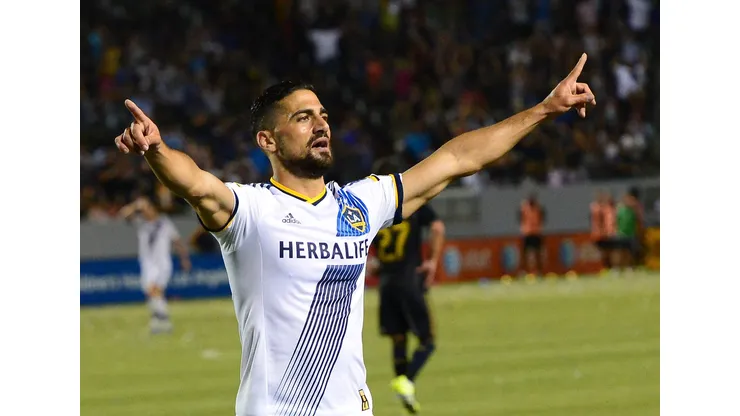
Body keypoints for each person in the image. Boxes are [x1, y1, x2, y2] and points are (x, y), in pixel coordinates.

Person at [113, 53, 595, 416]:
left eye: (322, 114)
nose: (320, 124)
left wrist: (544, 110)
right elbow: (195, 183)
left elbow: (456, 159)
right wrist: (156, 150)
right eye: (302, 117)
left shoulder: (360, 204)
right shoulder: (252, 211)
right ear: (267, 141)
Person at [366, 157, 445, 414]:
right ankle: (407, 379)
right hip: (409, 279)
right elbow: (437, 227)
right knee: (427, 341)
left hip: (386, 283)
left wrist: (373, 262)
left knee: (398, 338)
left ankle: (404, 386)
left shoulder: (373, 208)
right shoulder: (411, 202)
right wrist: (432, 261)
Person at [118, 196, 191, 333]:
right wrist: (135, 205)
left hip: (162, 263)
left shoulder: (164, 223)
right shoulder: (141, 223)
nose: (145, 212)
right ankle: (161, 321)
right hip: (147, 264)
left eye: (147, 208)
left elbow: (177, 241)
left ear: (153, 208)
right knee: (152, 292)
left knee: (155, 290)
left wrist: (184, 259)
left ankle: (161, 321)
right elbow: (123, 215)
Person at [614, 187, 644, 274]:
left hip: (631, 233)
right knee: (619, 252)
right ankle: (617, 269)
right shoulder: (620, 207)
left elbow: (639, 220)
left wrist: (640, 232)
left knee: (630, 252)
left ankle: (629, 268)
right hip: (621, 232)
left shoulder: (635, 207)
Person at [518, 193, 546, 278]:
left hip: (536, 232)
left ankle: (539, 271)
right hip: (527, 233)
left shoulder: (539, 208)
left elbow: (542, 218)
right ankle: (523, 271)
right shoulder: (523, 208)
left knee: (538, 253)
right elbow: (520, 219)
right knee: (525, 254)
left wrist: (540, 228)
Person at [590, 190, 617, 273]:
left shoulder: (605, 208)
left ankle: (610, 268)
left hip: (605, 234)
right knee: (605, 253)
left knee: (609, 252)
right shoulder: (597, 208)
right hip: (600, 234)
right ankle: (606, 268)